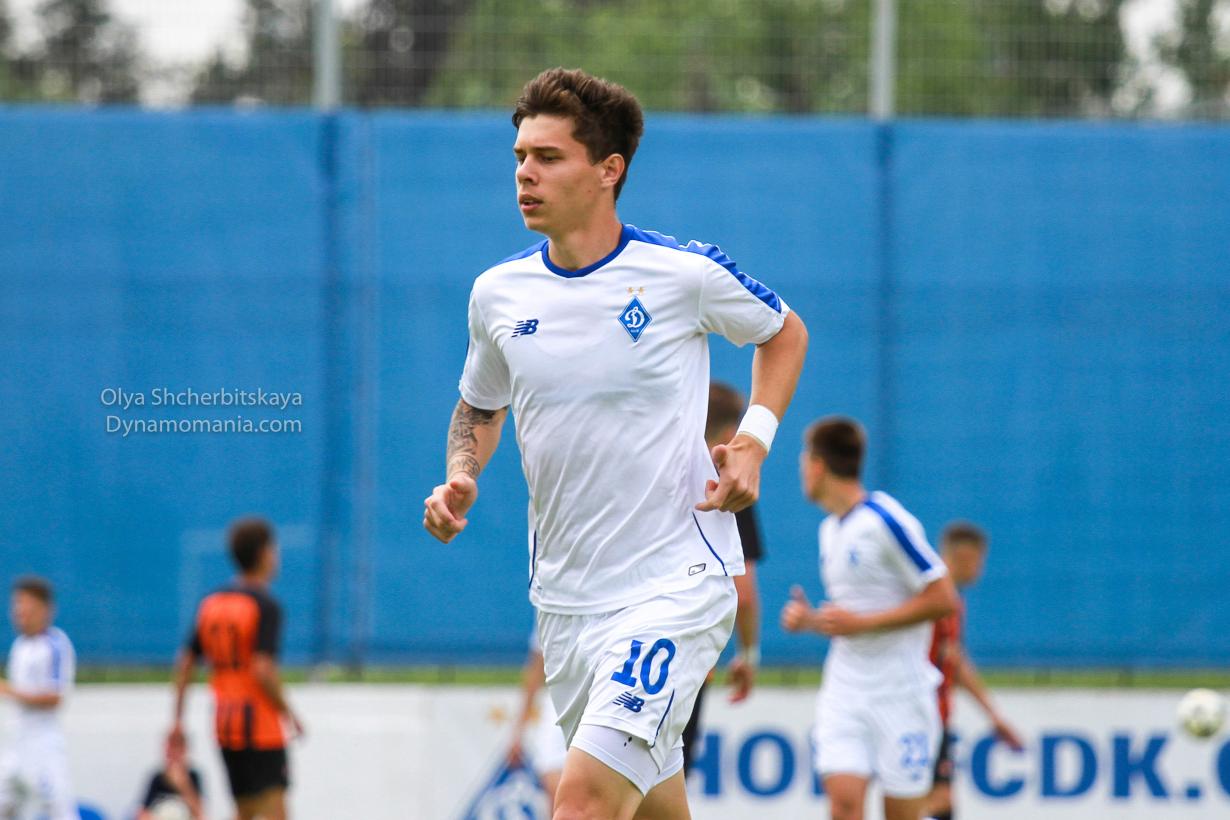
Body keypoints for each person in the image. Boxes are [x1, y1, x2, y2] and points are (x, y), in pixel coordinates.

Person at [423, 67, 808, 820]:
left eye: (548, 157)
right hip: (565, 606)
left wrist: (754, 442)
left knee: (582, 805)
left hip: (675, 587)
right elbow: (480, 406)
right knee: (656, 810)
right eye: (519, 157)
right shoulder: (497, 294)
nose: (525, 173)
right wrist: (461, 474)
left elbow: (784, 333)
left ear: (609, 170)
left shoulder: (681, 274)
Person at [780, 417, 957, 820]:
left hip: (901, 694)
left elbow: (943, 598)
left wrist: (862, 625)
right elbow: (853, 614)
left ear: (817, 466)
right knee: (843, 805)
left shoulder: (886, 520)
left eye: (803, 462)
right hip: (845, 690)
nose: (802, 472)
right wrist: (811, 621)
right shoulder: (830, 530)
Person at [170, 518, 303, 820]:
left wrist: (177, 720)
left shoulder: (212, 603)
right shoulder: (265, 605)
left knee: (245, 809)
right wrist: (289, 713)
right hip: (260, 726)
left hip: (225, 724)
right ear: (264, 553)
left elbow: (186, 662)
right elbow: (262, 668)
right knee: (273, 808)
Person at [680, 382, 766, 776]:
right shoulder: (730, 486)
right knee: (669, 776)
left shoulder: (651, 468)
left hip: (618, 642)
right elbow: (743, 594)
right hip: (687, 653)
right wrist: (747, 655)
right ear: (731, 433)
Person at [922, 522, 1023, 820]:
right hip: (921, 714)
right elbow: (948, 659)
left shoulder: (951, 600)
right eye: (979, 559)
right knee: (934, 801)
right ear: (964, 556)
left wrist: (993, 715)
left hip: (935, 716)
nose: (980, 568)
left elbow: (954, 660)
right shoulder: (935, 600)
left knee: (939, 801)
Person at [0, 576, 77, 820]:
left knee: (60, 810)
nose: (19, 611)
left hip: (44, 743)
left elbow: (55, 697)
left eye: (25, 604)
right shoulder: (19, 646)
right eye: (16, 605)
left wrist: (10, 691)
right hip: (16, 742)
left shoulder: (55, 644)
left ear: (44, 609)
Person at [507, 621, 569, 814]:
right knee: (557, 792)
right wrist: (518, 732)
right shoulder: (549, 607)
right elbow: (536, 667)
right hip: (559, 704)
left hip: (599, 702)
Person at [136, 731, 205, 820]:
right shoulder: (157, 778)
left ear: (184, 750)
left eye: (177, 749)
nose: (173, 755)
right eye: (170, 751)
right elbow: (142, 813)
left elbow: (200, 814)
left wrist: (183, 785)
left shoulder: (193, 777)